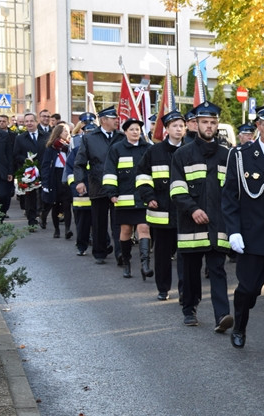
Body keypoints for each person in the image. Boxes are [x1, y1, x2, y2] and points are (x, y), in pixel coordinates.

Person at [222, 104, 264, 356]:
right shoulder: (240, 155)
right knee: (249, 288)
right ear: (258, 126)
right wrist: (233, 231)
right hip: (251, 233)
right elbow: (229, 196)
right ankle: (239, 325)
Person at [170, 101, 232, 330]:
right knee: (190, 271)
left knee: (217, 269)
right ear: (194, 124)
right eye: (205, 122)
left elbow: (232, 192)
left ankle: (222, 315)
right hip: (191, 223)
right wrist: (193, 209)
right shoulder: (182, 154)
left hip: (218, 223)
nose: (209, 126)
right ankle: (189, 309)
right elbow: (176, 189)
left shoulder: (227, 155)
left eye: (213, 122)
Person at [137, 109, 186, 301]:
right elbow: (142, 176)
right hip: (161, 211)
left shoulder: (190, 149)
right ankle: (163, 289)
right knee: (162, 255)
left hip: (185, 212)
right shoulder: (154, 151)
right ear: (166, 129)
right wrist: (148, 197)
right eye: (174, 126)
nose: (178, 129)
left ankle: (185, 291)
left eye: (181, 125)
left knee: (185, 256)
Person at [102, 119, 152, 279]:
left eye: (138, 129)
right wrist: (111, 192)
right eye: (132, 129)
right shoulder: (117, 149)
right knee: (126, 231)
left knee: (144, 228)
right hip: (124, 199)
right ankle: (127, 262)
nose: (135, 132)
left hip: (143, 198)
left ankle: (145, 265)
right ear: (125, 132)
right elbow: (109, 172)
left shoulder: (148, 148)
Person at [74, 106, 121, 265]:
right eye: (113, 118)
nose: (117, 120)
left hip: (118, 187)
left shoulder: (121, 137)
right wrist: (79, 181)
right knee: (99, 222)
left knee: (118, 222)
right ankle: (99, 252)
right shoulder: (89, 138)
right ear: (103, 120)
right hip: (98, 186)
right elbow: (79, 163)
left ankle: (121, 253)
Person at [13, 112, 48, 229]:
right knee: (30, 196)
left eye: (31, 121)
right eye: (26, 121)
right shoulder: (20, 138)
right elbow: (16, 155)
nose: (29, 123)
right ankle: (31, 220)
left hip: (44, 169)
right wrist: (26, 160)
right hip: (28, 171)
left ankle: (43, 216)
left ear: (36, 122)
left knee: (45, 195)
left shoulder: (46, 136)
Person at [67, 113, 96, 255]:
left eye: (92, 133)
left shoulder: (102, 150)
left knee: (99, 222)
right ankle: (81, 246)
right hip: (82, 193)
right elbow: (70, 172)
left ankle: (103, 245)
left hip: (98, 192)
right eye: (87, 133)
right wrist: (76, 186)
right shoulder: (75, 151)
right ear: (83, 134)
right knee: (83, 223)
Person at [39, 123, 73, 239]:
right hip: (55, 177)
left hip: (66, 177)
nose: (67, 134)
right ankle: (57, 229)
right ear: (58, 133)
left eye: (68, 132)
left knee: (67, 205)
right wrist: (45, 183)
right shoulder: (51, 148)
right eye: (65, 132)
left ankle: (67, 229)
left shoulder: (69, 147)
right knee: (55, 204)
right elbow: (45, 166)